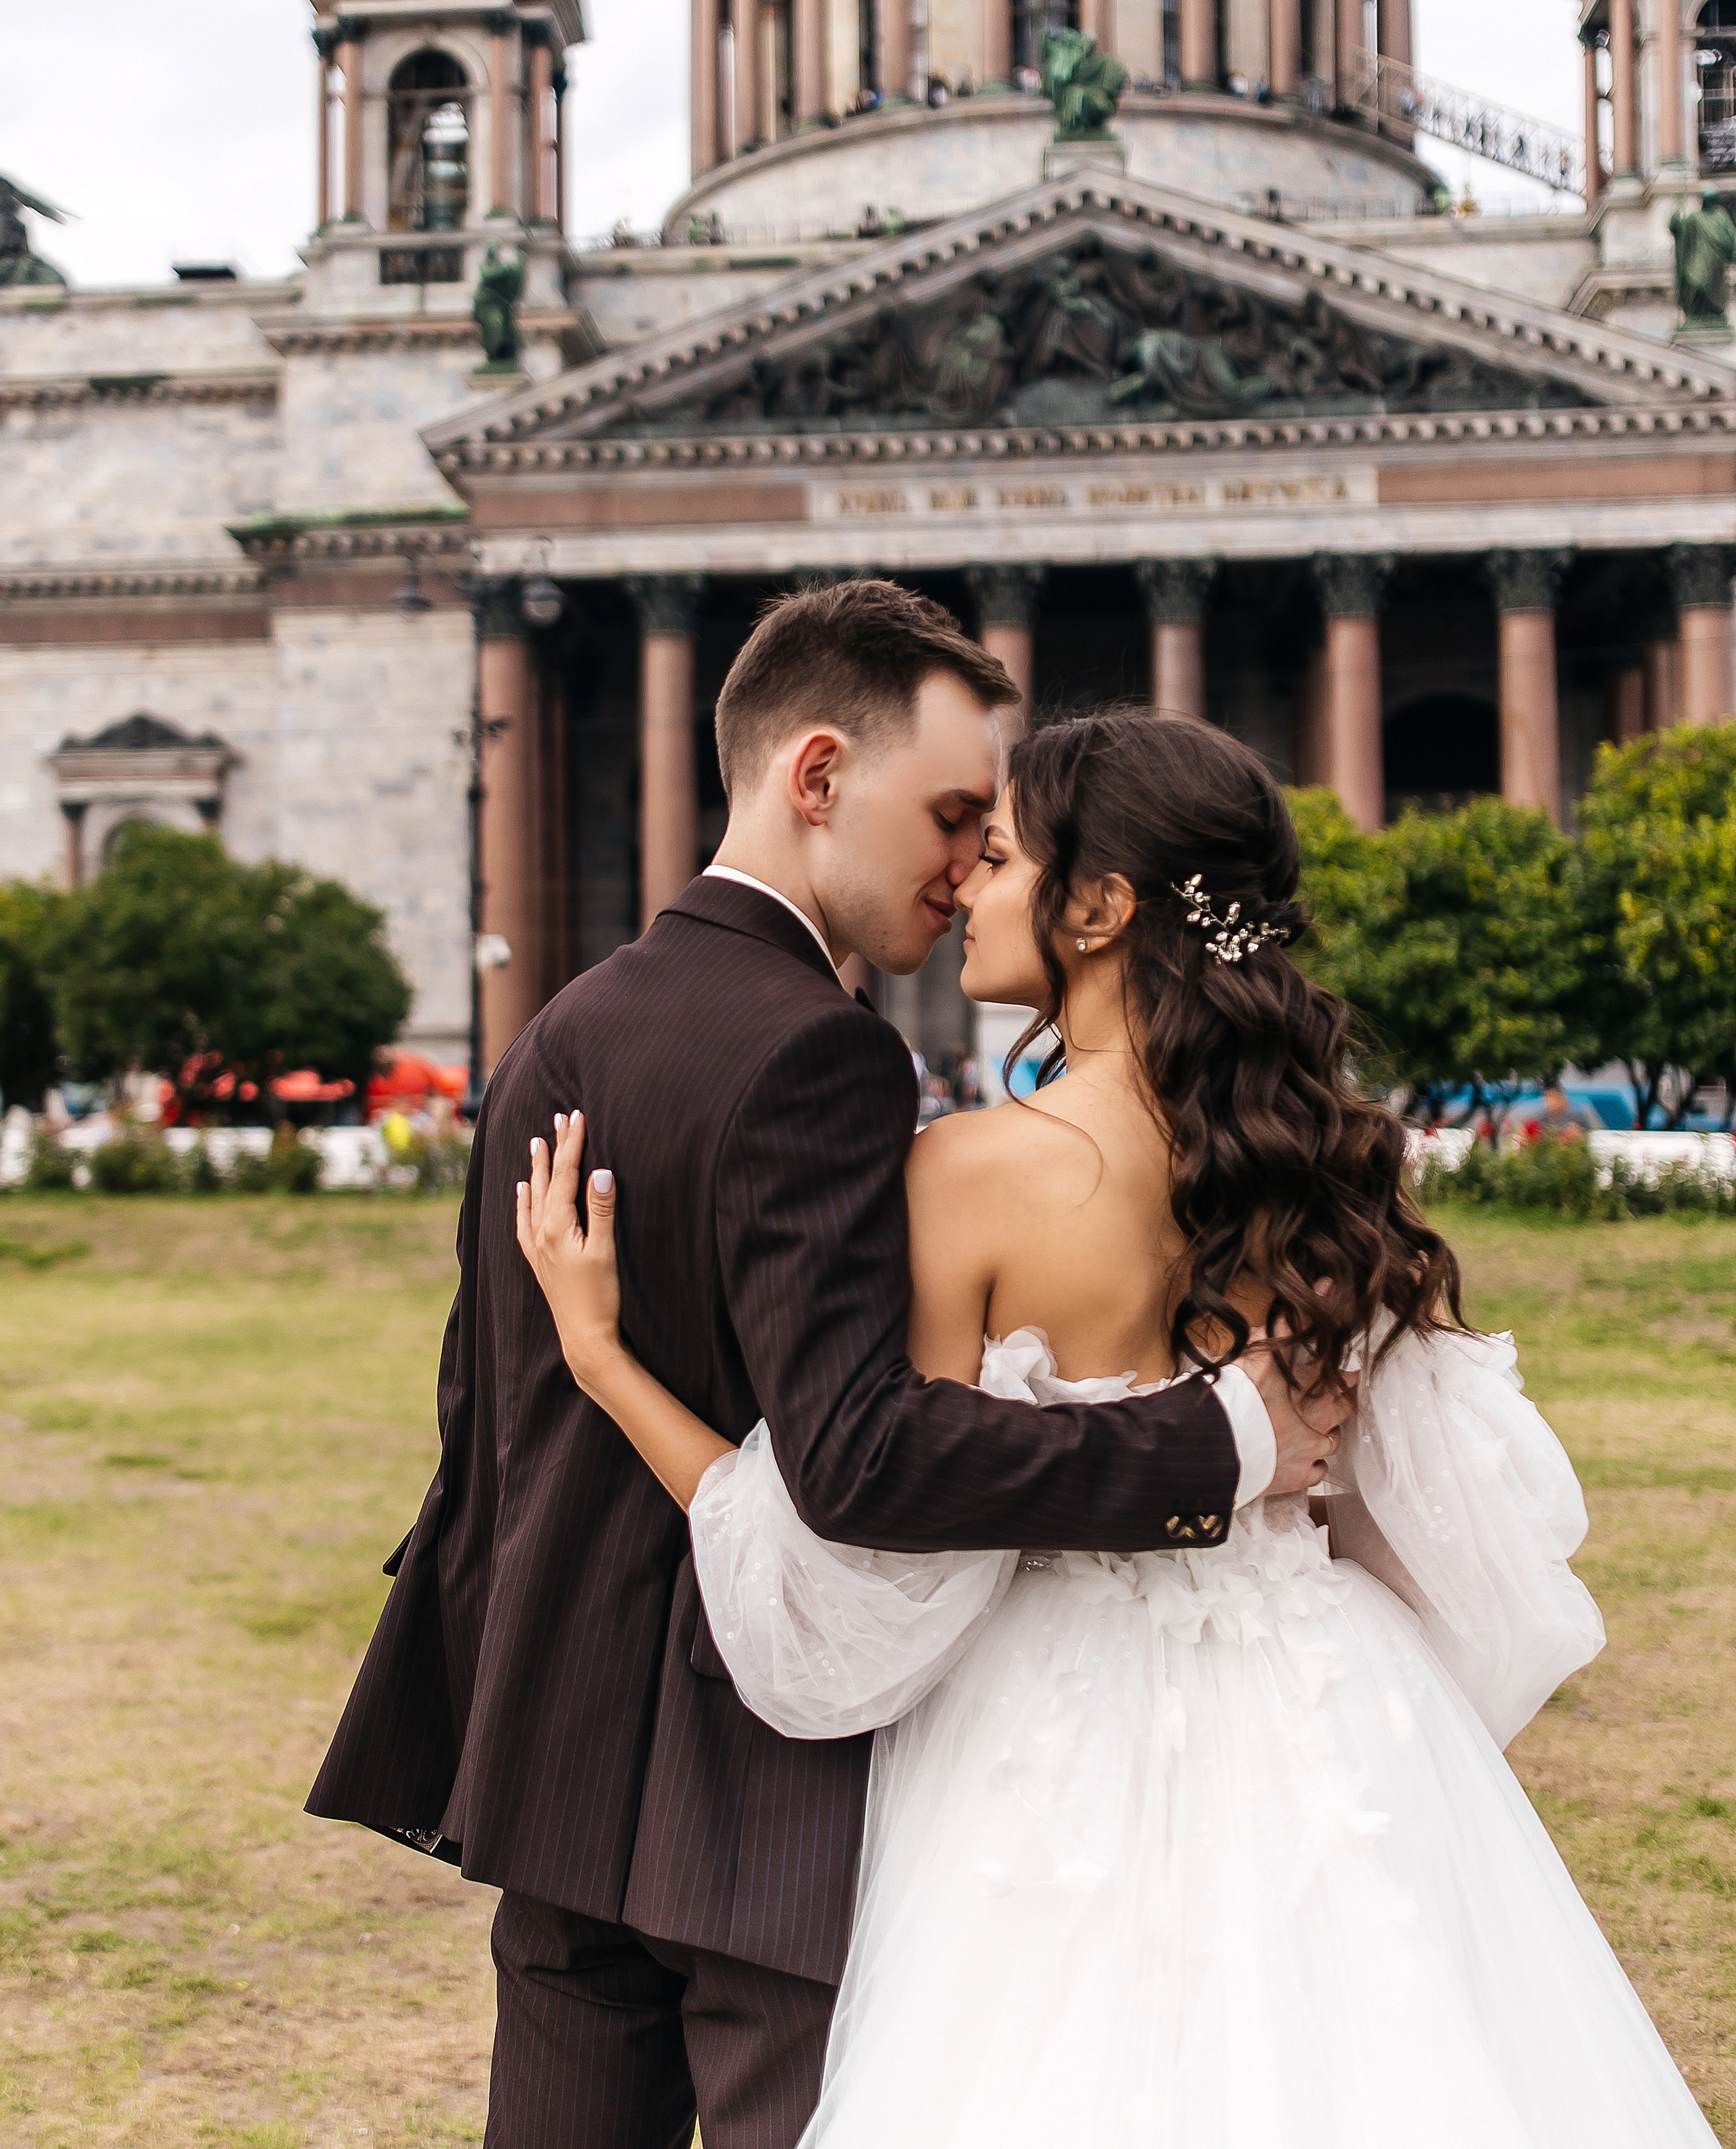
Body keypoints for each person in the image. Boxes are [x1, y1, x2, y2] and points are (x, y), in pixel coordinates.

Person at [519, 710, 1719, 2149]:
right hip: (1326, 1695)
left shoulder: (964, 1174)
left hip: (1048, 1726)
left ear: (1097, 908)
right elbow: (1434, 1521)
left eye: (999, 857)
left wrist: (602, 1359)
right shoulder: (1322, 1166)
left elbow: (861, 1541)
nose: (963, 883)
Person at [308, 585, 1339, 2149]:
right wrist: (1213, 1448)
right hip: (758, 1785)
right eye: (950, 818)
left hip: (554, 1746)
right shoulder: (822, 1049)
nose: (965, 865)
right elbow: (861, 1453)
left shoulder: (555, 1029)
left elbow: (484, 1415)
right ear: (815, 777)